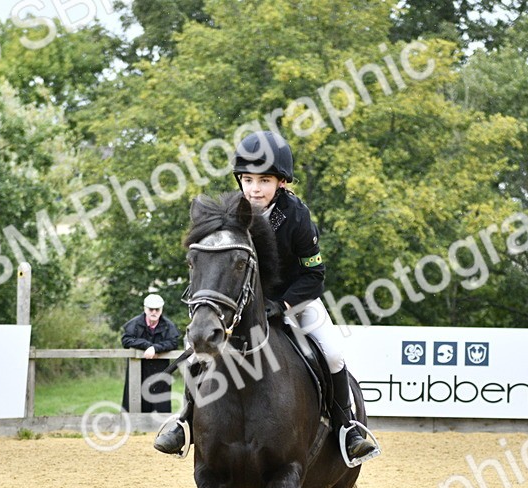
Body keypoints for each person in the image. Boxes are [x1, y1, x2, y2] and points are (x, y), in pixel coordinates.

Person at [154, 131, 380, 463]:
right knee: (199, 355)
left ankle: (348, 428)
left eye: (264, 180)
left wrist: (283, 304)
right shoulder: (231, 214)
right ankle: (184, 422)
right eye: (247, 180)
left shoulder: (296, 216)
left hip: (295, 301)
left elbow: (314, 276)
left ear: (281, 182)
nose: (254, 189)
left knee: (332, 353)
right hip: (243, 306)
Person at [121, 293, 180, 414]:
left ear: (161, 309)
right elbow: (126, 340)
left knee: (160, 403)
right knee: (135, 397)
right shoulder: (135, 324)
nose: (154, 312)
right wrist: (147, 346)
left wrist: (156, 348)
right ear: (145, 309)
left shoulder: (168, 326)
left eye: (157, 309)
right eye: (151, 309)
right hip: (138, 369)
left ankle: (160, 428)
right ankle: (134, 427)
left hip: (160, 370)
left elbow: (173, 342)